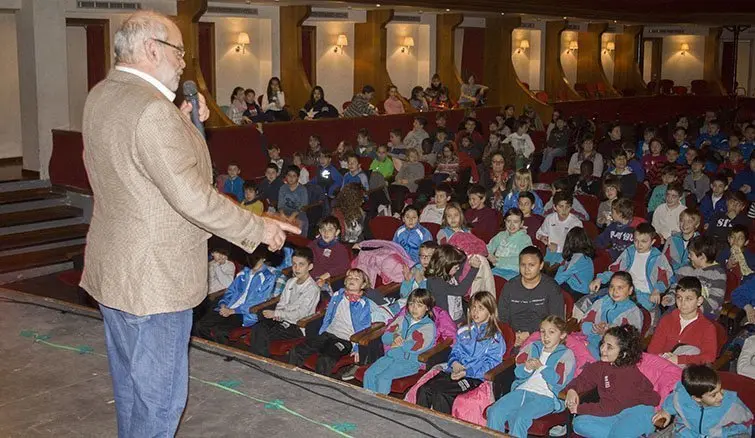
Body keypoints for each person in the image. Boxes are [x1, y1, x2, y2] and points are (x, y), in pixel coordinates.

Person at [80, 11, 299, 437]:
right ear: (151, 49)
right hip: (156, 281)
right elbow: (192, 194)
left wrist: (185, 123)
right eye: (179, 51)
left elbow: (146, 169)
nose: (184, 62)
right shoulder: (152, 112)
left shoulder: (103, 96)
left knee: (131, 392)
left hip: (116, 272)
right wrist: (258, 228)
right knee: (160, 405)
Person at [486, 316, 576, 437]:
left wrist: (541, 367)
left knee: (520, 418)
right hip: (523, 390)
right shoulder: (533, 347)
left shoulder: (566, 354)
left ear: (562, 335)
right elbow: (518, 372)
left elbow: (559, 381)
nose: (546, 336)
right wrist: (527, 368)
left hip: (546, 396)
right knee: (494, 411)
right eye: (543, 331)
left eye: (551, 332)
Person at [415, 291, 504, 414]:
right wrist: (455, 362)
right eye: (473, 307)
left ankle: (442, 429)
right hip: (455, 371)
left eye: (480, 308)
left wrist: (467, 372)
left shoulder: (494, 337)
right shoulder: (464, 330)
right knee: (425, 389)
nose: (475, 312)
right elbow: (455, 351)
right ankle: (419, 424)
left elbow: (492, 363)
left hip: (473, 377)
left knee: (442, 394)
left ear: (490, 311)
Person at [565, 325, 660, 438]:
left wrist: (579, 408)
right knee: (579, 424)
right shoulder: (601, 365)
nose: (602, 349)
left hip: (638, 411)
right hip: (615, 413)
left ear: (623, 353)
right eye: (603, 343)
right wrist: (572, 389)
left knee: (617, 433)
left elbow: (612, 406)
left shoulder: (627, 374)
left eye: (609, 347)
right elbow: (584, 379)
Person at [288, 268, 384, 376]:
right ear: (345, 281)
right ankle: (291, 376)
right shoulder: (337, 295)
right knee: (297, 350)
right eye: (349, 277)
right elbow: (328, 315)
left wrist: (358, 348)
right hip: (328, 334)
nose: (352, 279)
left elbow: (364, 327)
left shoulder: (362, 303)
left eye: (356, 278)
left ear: (362, 285)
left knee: (326, 358)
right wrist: (322, 332)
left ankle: (318, 387)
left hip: (345, 339)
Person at [194, 247, 278, 344]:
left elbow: (258, 301)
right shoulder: (243, 273)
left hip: (244, 313)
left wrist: (233, 311)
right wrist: (223, 304)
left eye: (256, 258)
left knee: (220, 331)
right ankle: (211, 351)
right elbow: (231, 291)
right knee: (200, 325)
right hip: (228, 308)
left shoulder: (268, 277)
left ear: (263, 258)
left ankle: (221, 353)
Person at [589, 223, 674, 319]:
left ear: (652, 242)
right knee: (599, 301)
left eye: (643, 241)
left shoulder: (658, 257)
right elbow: (615, 269)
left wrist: (657, 290)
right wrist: (600, 279)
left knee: (628, 311)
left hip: (645, 295)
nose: (638, 245)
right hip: (625, 289)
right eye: (636, 240)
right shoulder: (630, 251)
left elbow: (666, 276)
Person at [248, 247, 320, 357]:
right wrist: (278, 313)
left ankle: (261, 361)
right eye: (294, 264)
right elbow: (282, 302)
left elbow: (301, 314)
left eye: (301, 264)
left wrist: (277, 313)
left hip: (296, 326)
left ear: (310, 267)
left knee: (263, 332)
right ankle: (256, 359)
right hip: (282, 320)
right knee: (259, 326)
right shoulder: (291, 282)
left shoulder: (312, 289)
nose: (296, 268)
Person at [363, 288, 437, 394]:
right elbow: (385, 337)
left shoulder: (428, 326)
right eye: (411, 304)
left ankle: (381, 407)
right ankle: (367, 401)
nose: (414, 308)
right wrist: (394, 337)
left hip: (409, 362)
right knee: (369, 374)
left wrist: (400, 343)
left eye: (419, 305)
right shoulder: (401, 319)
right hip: (390, 357)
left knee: (383, 378)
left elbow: (416, 346)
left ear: (427, 308)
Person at [653, 365, 753, 437]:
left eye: (720, 389)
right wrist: (666, 411)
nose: (721, 396)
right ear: (697, 398)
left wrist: (720, 433)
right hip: (686, 434)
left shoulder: (732, 404)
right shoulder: (681, 396)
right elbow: (674, 399)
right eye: (714, 395)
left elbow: (747, 423)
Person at [499, 246, 565, 347]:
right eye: (523, 265)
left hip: (542, 337)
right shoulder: (510, 286)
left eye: (531, 265)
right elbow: (503, 317)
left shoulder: (551, 288)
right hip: (513, 337)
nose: (526, 269)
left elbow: (556, 320)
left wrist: (530, 334)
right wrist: (512, 336)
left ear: (541, 265)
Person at [648, 277, 717, 366]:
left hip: (688, 371)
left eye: (689, 299)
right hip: (662, 366)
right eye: (679, 298)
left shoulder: (707, 327)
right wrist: (664, 357)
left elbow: (709, 357)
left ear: (699, 301)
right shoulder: (667, 320)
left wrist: (679, 359)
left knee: (693, 350)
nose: (683, 303)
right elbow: (653, 349)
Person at [580, 272, 643, 360]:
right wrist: (595, 328)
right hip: (589, 342)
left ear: (630, 290)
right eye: (611, 287)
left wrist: (607, 333)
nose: (614, 291)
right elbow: (583, 324)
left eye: (620, 288)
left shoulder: (633, 312)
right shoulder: (602, 302)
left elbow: (630, 342)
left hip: (610, 354)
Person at [662, 236, 726, 320]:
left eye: (691, 254)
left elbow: (715, 300)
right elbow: (676, 287)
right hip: (681, 307)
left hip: (705, 313)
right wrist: (670, 297)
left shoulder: (717, 274)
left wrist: (693, 311)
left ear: (702, 257)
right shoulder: (685, 269)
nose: (688, 256)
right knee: (665, 320)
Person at [425, 244, 481, 323]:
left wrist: (467, 256)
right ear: (445, 265)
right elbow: (460, 290)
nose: (458, 269)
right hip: (445, 323)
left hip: (458, 317)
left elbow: (460, 263)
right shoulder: (435, 281)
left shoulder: (449, 274)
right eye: (456, 267)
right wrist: (474, 269)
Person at [536, 191, 583, 265]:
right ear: (554, 207)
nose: (564, 210)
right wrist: (542, 237)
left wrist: (558, 248)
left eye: (567, 207)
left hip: (566, 255)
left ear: (571, 207)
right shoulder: (550, 218)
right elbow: (539, 233)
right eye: (561, 206)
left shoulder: (576, 223)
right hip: (550, 252)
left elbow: (575, 246)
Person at [487, 208, 533, 279]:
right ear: (505, 221)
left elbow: (523, 259)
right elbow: (488, 248)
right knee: (483, 278)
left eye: (515, 222)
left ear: (521, 223)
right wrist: (488, 254)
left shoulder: (525, 239)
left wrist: (498, 260)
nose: (511, 225)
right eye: (508, 221)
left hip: (514, 271)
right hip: (497, 269)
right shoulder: (501, 235)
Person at [555, 227, 595, 299]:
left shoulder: (579, 258)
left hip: (578, 291)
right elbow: (562, 268)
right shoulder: (580, 255)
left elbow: (564, 275)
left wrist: (551, 286)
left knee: (552, 290)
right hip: (576, 286)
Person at [308, 216, 350, 281]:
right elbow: (305, 256)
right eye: (323, 229)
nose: (326, 232)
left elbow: (344, 267)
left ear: (337, 232)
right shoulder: (314, 244)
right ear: (320, 231)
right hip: (309, 276)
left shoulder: (340, 249)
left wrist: (325, 276)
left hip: (327, 279)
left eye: (330, 230)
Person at [662, 208, 701, 272]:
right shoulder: (671, 240)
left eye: (689, 222)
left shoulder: (700, 242)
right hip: (672, 275)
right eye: (682, 220)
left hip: (691, 277)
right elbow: (663, 261)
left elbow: (700, 265)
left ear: (696, 224)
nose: (685, 224)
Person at [278, 165, 309, 234]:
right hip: (285, 211)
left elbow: (303, 206)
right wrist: (282, 213)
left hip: (298, 212)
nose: (291, 178)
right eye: (289, 175)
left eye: (294, 176)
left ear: (298, 177)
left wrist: (293, 215)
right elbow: (280, 204)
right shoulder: (283, 188)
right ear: (286, 177)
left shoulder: (302, 189)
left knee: (302, 223)